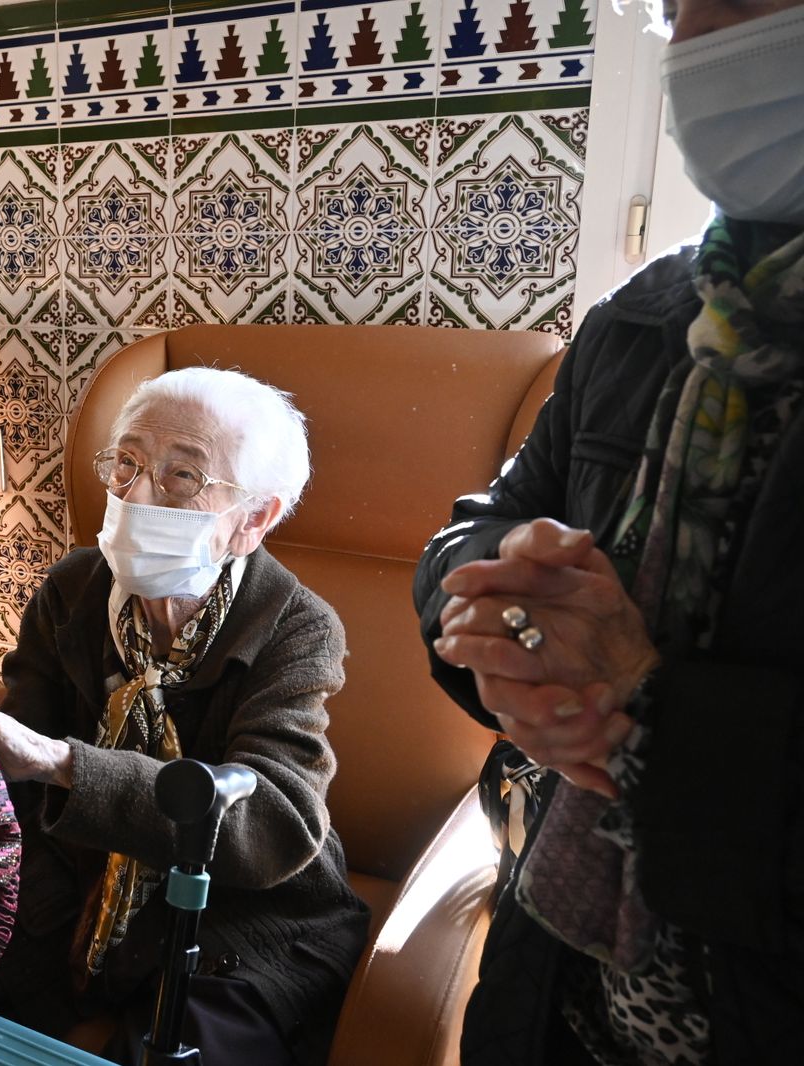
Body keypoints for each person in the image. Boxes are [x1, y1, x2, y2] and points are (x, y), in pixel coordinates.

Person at [414, 0, 804, 1062]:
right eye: (678, 12)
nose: (691, 43)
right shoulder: (640, 322)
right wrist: (506, 619)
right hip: (556, 988)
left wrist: (643, 702)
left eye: (738, 7)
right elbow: (472, 530)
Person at [0, 367, 370, 1066]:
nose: (134, 494)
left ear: (253, 518)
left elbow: (274, 822)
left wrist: (63, 762)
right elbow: (12, 778)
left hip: (245, 913)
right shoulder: (73, 589)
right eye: (125, 462)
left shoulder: (297, 629)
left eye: (182, 477)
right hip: (79, 887)